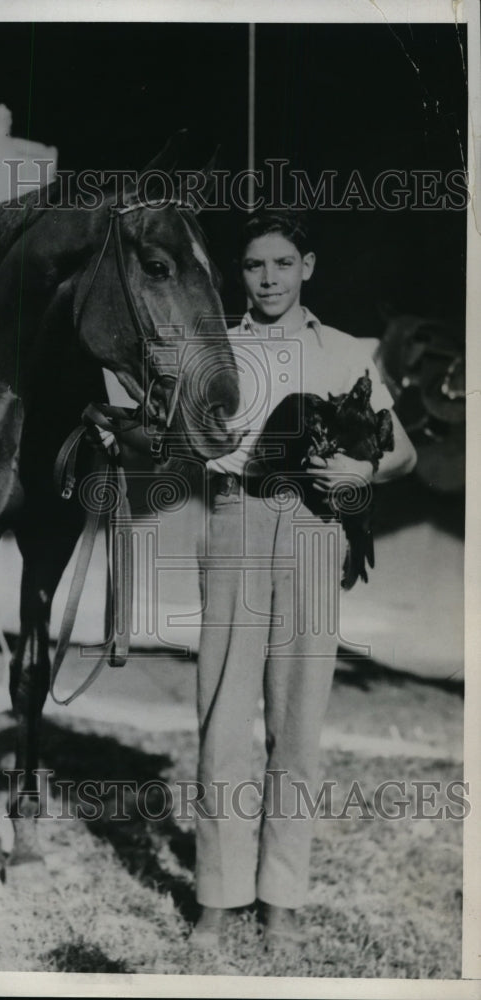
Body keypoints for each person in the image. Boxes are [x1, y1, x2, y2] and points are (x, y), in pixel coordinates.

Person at [191, 208, 417, 953]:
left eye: (283, 264)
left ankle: (282, 899)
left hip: (317, 531)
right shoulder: (214, 347)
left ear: (307, 268)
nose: (269, 279)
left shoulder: (350, 351)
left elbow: (405, 453)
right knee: (224, 719)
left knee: (298, 722)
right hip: (237, 523)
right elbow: (175, 439)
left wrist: (363, 469)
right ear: (239, 274)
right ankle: (218, 901)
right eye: (255, 266)